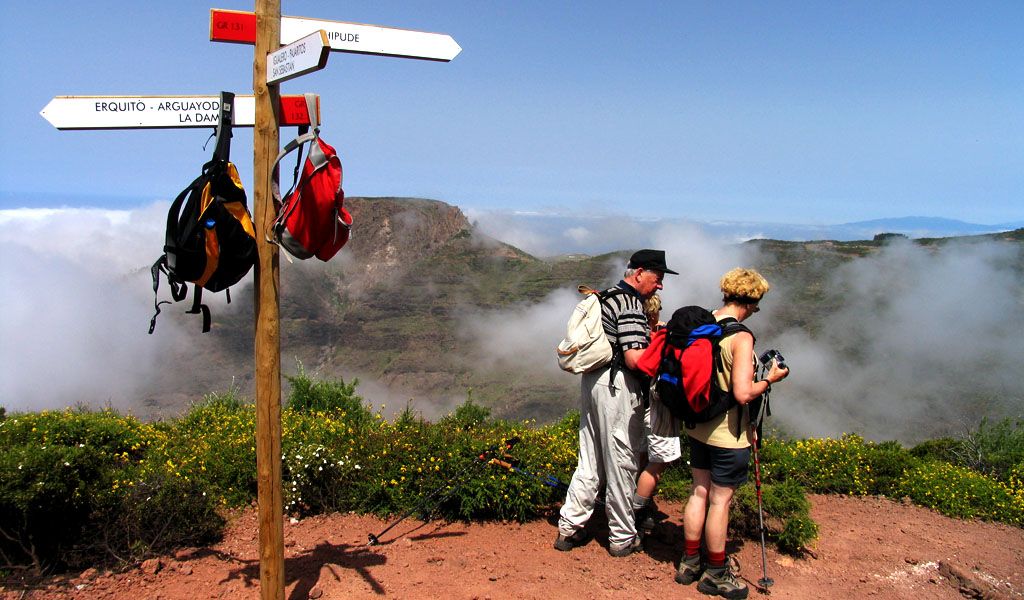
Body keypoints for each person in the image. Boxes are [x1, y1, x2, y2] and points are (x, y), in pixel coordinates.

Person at [554, 249, 677, 557]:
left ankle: (568, 529)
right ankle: (622, 538)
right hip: (617, 387)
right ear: (639, 274)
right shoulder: (631, 303)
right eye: (657, 278)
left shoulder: (606, 296)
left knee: (590, 459)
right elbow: (635, 360)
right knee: (622, 462)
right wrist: (661, 345)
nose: (659, 285)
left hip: (593, 380)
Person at [676, 268, 788, 599]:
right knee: (720, 501)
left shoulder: (703, 323)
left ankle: (689, 562)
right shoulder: (741, 337)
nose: (757, 309)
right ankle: (715, 573)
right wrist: (771, 380)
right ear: (752, 300)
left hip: (697, 426)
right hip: (728, 434)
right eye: (758, 302)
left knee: (699, 492)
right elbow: (742, 393)